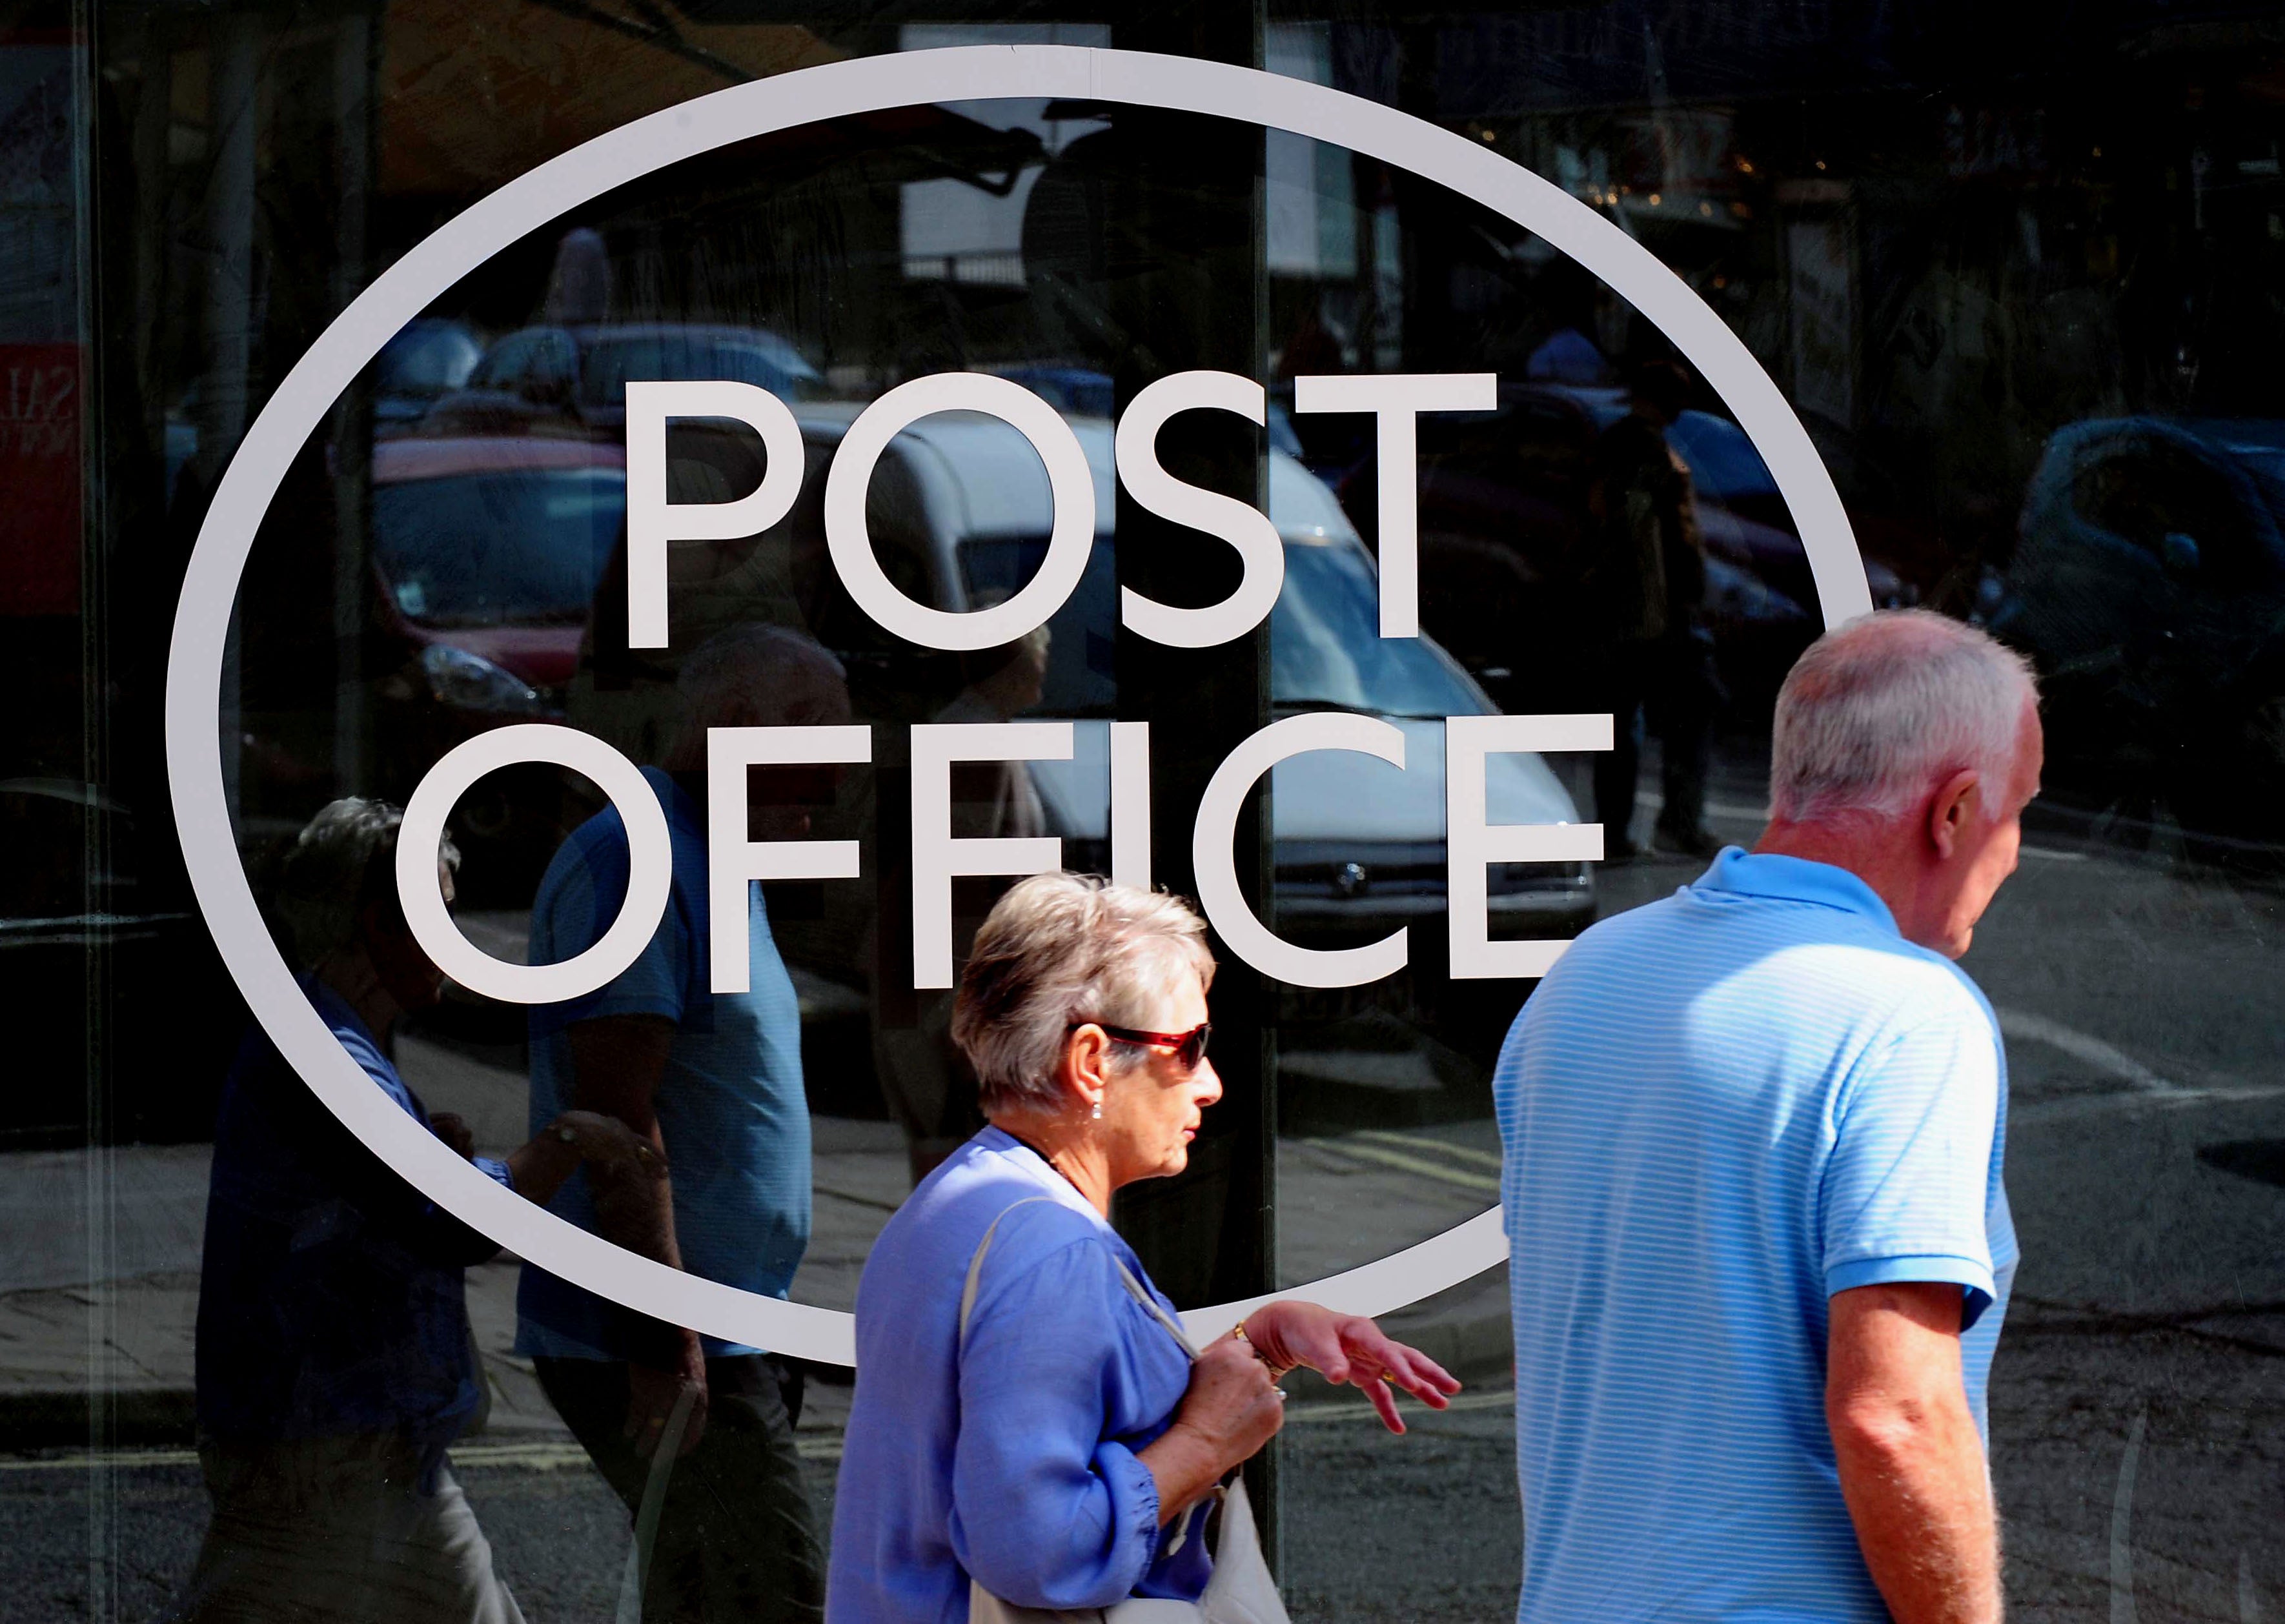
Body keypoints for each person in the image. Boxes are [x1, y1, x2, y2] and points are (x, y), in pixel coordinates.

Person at [1494, 609, 2039, 1623]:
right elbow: (1898, 1415)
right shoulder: (1909, 1013)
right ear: (1954, 813)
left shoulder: (1588, 977)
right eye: (2017, 817)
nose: (2014, 858)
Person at [828, 873, 1463, 1622]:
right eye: (1188, 1047)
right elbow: (1040, 1549)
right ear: (1092, 1060)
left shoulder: (954, 1202)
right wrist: (1204, 1443)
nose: (1212, 1084)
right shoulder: (1050, 1253)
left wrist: (1257, 1345)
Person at [178, 798, 660, 1624]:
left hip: (336, 1442)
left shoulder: (332, 1037)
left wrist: (445, 1154)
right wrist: (569, 1142)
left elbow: (389, 1196)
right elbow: (451, 1219)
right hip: (333, 1450)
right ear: (378, 922)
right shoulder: (326, 1054)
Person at [518, 623, 850, 1623]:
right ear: (739, 727)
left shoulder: (713, 853)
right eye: (820, 745)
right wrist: (665, 1344)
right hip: (668, 1330)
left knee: (701, 1602)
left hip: (727, 1325)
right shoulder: (640, 860)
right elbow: (617, 1121)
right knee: (775, 1602)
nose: (835, 782)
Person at [872, 609, 1053, 1186]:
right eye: (1040, 649)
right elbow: (955, 887)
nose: (1048, 663)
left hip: (942, 991)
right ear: (1020, 659)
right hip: (949, 996)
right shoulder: (974, 741)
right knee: (958, 1160)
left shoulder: (974, 732)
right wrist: (963, 1011)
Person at [1581, 357, 1716, 858]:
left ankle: (1616, 831)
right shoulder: (1645, 453)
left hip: (1627, 614)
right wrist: (1667, 613)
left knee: (1623, 723)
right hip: (1652, 616)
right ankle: (1677, 824)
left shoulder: (1616, 446)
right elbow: (1647, 539)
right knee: (1691, 710)